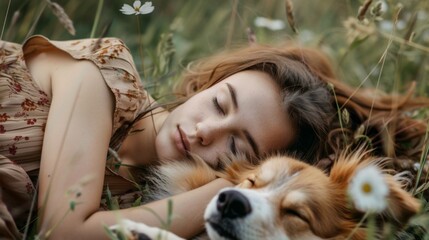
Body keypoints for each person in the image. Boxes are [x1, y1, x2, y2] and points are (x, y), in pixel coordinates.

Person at [0, 35, 334, 239]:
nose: (205, 132)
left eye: (234, 146)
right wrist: (232, 186)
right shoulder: (104, 77)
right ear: (206, 83)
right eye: (219, 104)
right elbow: (63, 232)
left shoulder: (144, 201)